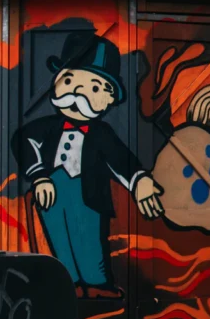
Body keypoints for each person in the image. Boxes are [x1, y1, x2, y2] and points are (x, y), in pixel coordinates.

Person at [14, 32, 163, 298]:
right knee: (59, 243)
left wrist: (140, 181)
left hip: (88, 199)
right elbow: (22, 139)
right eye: (70, 80)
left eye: (93, 87)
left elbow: (121, 160)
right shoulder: (47, 127)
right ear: (57, 82)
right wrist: (39, 176)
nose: (77, 93)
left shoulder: (102, 133)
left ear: (108, 98)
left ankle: (97, 287)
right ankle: (68, 285)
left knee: (90, 247)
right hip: (52, 196)